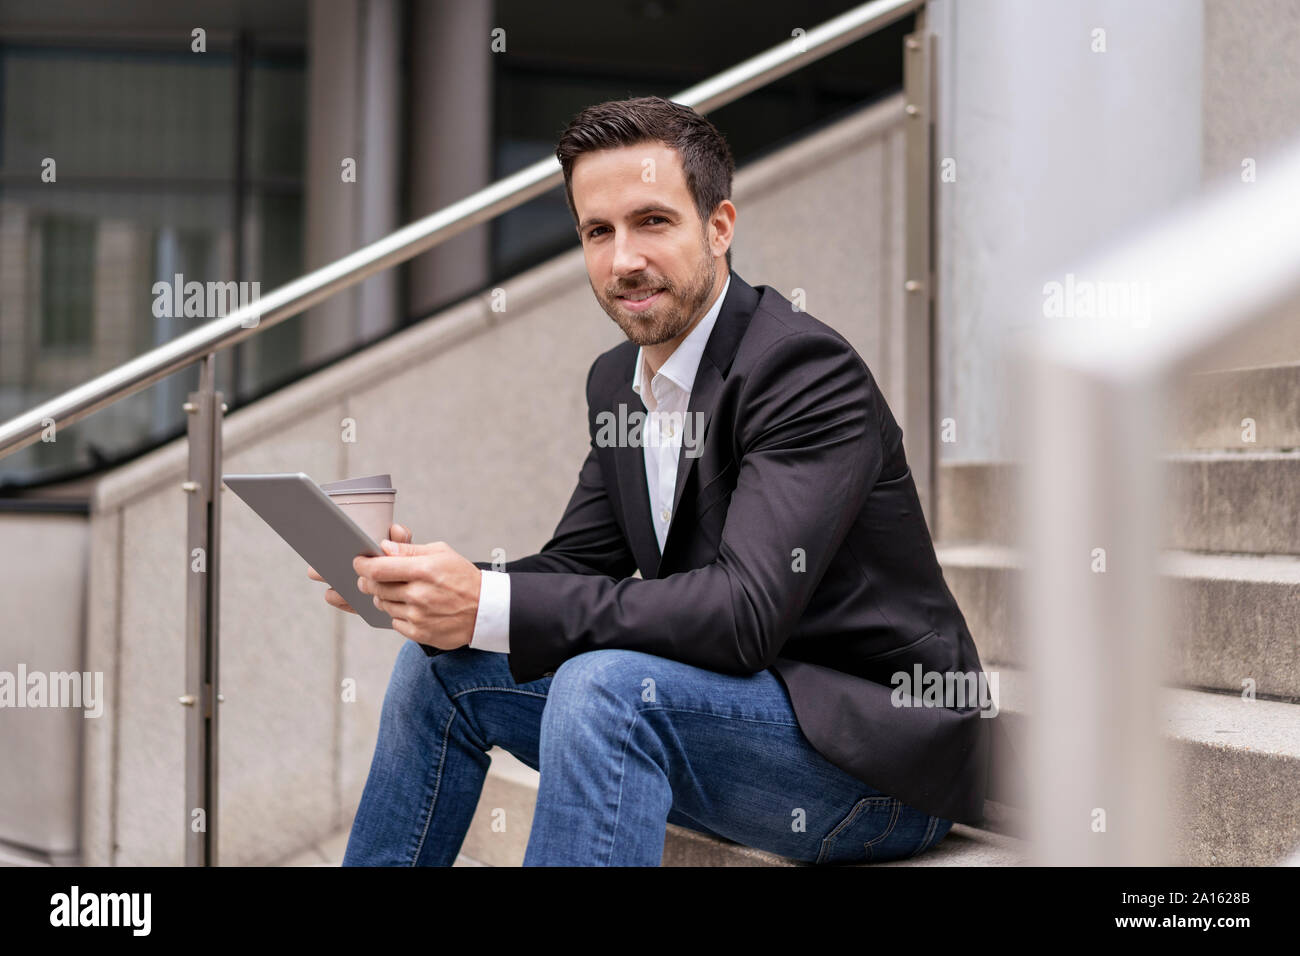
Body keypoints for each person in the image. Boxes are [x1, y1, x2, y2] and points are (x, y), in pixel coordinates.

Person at [313, 95, 993, 866]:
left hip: (876, 761)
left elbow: (743, 614)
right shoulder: (616, 382)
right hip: (727, 714)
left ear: (720, 226)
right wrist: (435, 584)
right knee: (437, 665)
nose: (622, 259)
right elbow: (575, 567)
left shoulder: (803, 372)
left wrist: (489, 601)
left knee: (606, 690)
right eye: (597, 232)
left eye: (652, 222)